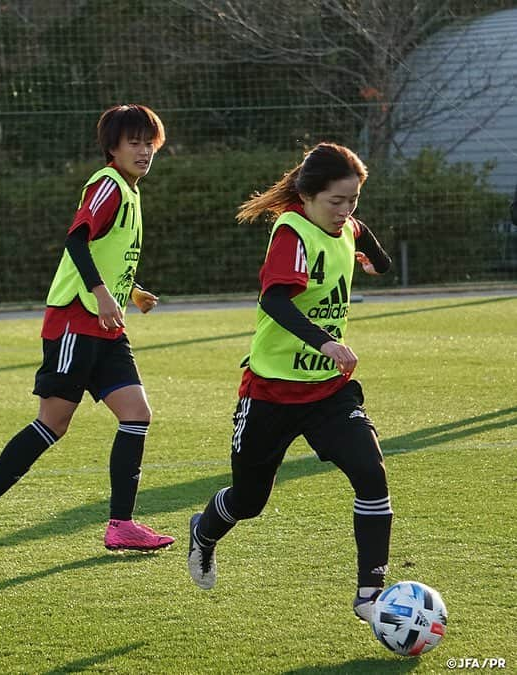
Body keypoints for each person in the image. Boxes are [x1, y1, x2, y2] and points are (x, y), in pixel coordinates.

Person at [185, 143, 394, 623]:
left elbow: (371, 246)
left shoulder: (348, 228)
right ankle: (205, 532)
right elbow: (275, 302)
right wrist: (326, 342)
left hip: (329, 392)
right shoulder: (292, 233)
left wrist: (373, 262)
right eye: (335, 202)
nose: (345, 212)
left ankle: (370, 596)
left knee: (370, 474)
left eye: (352, 202)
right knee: (249, 501)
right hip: (272, 392)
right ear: (307, 195)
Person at [0, 104, 174, 558]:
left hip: (106, 323)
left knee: (137, 414)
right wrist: (101, 293)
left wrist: (128, 291)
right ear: (112, 148)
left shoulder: (132, 192)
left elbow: (103, 251)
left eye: (148, 142)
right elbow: (77, 238)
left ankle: (121, 524)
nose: (143, 150)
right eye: (133, 141)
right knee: (53, 423)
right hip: (76, 320)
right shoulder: (107, 183)